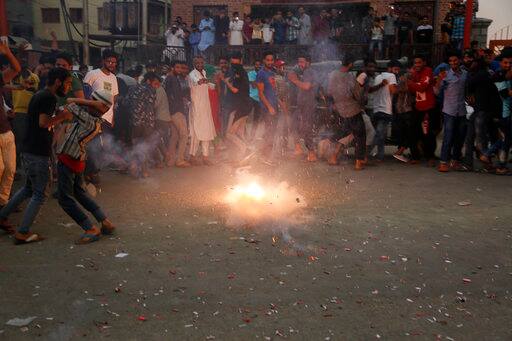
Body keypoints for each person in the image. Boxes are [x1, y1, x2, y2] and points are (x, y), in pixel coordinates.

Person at [0, 68, 72, 244]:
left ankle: (2, 216)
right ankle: (23, 232)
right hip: (38, 152)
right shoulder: (48, 97)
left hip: (29, 149)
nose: (69, 87)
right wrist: (63, 116)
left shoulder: (40, 94)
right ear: (58, 82)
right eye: (68, 83)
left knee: (28, 188)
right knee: (40, 193)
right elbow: (43, 123)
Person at [55, 91, 115, 244]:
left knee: (65, 199)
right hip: (76, 160)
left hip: (69, 159)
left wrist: (92, 103)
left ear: (99, 106)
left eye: (94, 101)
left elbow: (69, 100)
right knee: (80, 194)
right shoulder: (94, 119)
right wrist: (97, 103)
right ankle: (105, 221)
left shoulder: (89, 119)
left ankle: (90, 228)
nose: (90, 101)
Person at [327, 55, 366, 169]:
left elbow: (329, 91)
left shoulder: (333, 74)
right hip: (352, 110)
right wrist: (361, 88)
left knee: (346, 133)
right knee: (360, 135)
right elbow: (358, 95)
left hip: (341, 109)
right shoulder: (349, 77)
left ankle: (333, 156)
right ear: (350, 64)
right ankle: (359, 161)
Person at [434, 51, 467, 172]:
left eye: (455, 60)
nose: (453, 63)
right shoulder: (445, 75)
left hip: (462, 110)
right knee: (448, 137)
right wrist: (439, 80)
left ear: (460, 60)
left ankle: (455, 160)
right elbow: (437, 92)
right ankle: (443, 162)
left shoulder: (465, 74)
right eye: (451, 61)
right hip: (449, 111)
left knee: (459, 138)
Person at [124, 72, 160, 178]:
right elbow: (153, 106)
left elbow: (126, 103)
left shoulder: (132, 89)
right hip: (148, 124)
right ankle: (144, 171)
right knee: (145, 147)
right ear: (148, 81)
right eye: (156, 83)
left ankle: (134, 170)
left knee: (135, 146)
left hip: (135, 123)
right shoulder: (152, 91)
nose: (157, 86)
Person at [0, 42, 21, 211]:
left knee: (10, 169)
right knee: (0, 169)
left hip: (6, 131)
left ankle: (3, 204)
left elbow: (15, 69)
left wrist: (7, 51)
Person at [407, 55, 437, 165]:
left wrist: (411, 83)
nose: (417, 65)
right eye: (415, 63)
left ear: (424, 62)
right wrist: (414, 85)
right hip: (418, 107)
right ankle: (416, 156)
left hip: (428, 107)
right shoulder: (414, 73)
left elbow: (421, 87)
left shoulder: (428, 70)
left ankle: (430, 157)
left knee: (427, 133)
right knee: (413, 132)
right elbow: (412, 89)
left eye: (419, 62)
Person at [288, 55, 319, 162]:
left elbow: (306, 86)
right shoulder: (303, 72)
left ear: (308, 62)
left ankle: (312, 153)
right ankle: (298, 148)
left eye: (302, 62)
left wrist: (294, 80)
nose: (300, 64)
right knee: (293, 124)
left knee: (307, 129)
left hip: (308, 105)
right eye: (299, 61)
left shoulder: (309, 72)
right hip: (302, 105)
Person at [188, 56, 216, 166]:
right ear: (194, 64)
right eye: (197, 63)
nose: (200, 64)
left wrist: (216, 83)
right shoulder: (192, 74)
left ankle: (205, 156)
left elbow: (208, 85)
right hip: (197, 109)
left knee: (207, 132)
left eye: (201, 62)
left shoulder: (204, 72)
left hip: (206, 108)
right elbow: (199, 82)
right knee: (196, 133)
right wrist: (206, 80)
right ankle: (192, 156)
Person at [368, 60, 398, 161]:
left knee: (380, 134)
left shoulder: (378, 77)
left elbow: (373, 90)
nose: (397, 72)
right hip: (386, 109)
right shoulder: (392, 76)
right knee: (379, 134)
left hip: (376, 109)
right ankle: (365, 152)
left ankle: (380, 156)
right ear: (390, 68)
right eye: (396, 69)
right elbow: (393, 91)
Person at [221, 63, 251, 160]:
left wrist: (226, 82)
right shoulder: (243, 79)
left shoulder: (240, 80)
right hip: (243, 109)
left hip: (241, 109)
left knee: (229, 134)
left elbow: (235, 90)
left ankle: (245, 150)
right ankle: (246, 152)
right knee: (240, 133)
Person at [164, 60, 191, 168]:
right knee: (184, 135)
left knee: (174, 136)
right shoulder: (172, 79)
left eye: (181, 68)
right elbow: (171, 96)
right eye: (177, 67)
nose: (179, 70)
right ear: (172, 68)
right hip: (176, 111)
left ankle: (170, 161)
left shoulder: (172, 78)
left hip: (172, 111)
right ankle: (180, 160)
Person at [256, 51, 278, 157]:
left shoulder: (273, 72)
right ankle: (265, 153)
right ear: (264, 61)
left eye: (271, 60)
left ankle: (267, 152)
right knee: (269, 129)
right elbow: (260, 93)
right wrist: (269, 107)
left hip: (274, 105)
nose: (270, 62)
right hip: (266, 107)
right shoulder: (261, 73)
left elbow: (275, 89)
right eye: (268, 60)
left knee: (273, 129)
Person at [247, 60, 262, 140]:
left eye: (259, 65)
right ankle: (245, 135)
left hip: (260, 99)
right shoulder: (251, 73)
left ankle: (252, 136)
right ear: (254, 65)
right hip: (251, 98)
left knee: (256, 119)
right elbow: (253, 86)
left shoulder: (262, 73)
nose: (258, 66)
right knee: (246, 117)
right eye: (256, 64)